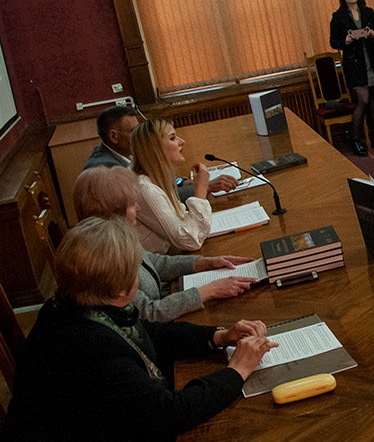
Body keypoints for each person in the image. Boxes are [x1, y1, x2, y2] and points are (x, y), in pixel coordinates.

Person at [0, 217, 277, 442]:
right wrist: (236, 371)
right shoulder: (91, 347)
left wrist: (217, 336)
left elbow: (148, 331)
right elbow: (168, 414)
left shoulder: (72, 305)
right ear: (122, 289)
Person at [74, 166, 254, 322]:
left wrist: (204, 263)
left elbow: (155, 263)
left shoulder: (118, 237)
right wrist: (208, 291)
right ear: (113, 213)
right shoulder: (106, 258)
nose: (138, 208)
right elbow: (149, 313)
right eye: (131, 204)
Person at [83, 106, 236, 198]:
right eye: (134, 131)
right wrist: (204, 187)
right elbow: (153, 199)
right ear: (113, 136)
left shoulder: (126, 150)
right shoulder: (105, 170)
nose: (140, 136)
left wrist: (181, 182)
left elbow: (157, 182)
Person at [130, 119, 213, 255]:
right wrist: (201, 190)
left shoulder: (157, 179)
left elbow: (181, 218)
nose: (182, 141)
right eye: (173, 138)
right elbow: (189, 241)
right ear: (154, 147)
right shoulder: (146, 189)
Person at [329, 0, 374, 155]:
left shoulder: (368, 12)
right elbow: (333, 41)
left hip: (372, 60)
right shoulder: (338, 16)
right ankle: (355, 139)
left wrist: (373, 34)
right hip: (354, 63)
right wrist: (345, 41)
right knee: (363, 99)